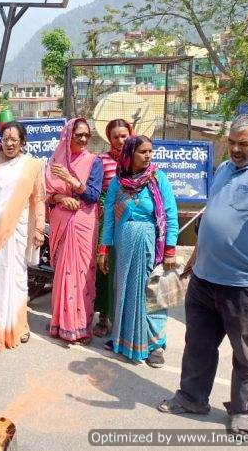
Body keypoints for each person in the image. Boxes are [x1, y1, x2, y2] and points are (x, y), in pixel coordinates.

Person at [158, 114, 248, 434]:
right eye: (232, 142)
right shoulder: (224, 169)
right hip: (206, 279)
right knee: (198, 345)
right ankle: (192, 398)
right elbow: (214, 214)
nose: (236, 149)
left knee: (246, 355)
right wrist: (197, 256)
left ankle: (242, 411)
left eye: (245, 143)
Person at [98, 135, 179, 367]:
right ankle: (123, 340)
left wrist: (171, 249)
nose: (148, 156)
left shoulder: (157, 179)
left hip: (149, 246)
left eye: (150, 151)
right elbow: (110, 220)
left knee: (150, 292)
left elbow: (171, 215)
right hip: (123, 247)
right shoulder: (117, 182)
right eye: (143, 152)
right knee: (123, 290)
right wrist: (104, 248)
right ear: (130, 154)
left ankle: (155, 345)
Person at [0, 122, 46, 350]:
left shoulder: (32, 165)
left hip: (19, 229)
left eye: (14, 139)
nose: (9, 143)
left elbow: (39, 199)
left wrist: (40, 229)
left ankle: (19, 325)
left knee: (17, 277)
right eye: (5, 138)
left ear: (23, 142)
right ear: (0, 140)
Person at [45, 118, 104, 344]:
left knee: (82, 275)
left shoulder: (93, 162)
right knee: (62, 274)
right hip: (61, 220)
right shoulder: (56, 161)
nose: (82, 139)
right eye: (78, 134)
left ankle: (80, 326)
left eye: (86, 135)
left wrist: (71, 180)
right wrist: (60, 196)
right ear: (68, 135)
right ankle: (61, 324)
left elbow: (93, 195)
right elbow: (47, 194)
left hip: (83, 223)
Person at [94, 119, 134, 338]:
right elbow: (98, 190)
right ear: (109, 138)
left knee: (125, 267)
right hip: (107, 219)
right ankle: (102, 316)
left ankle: (123, 318)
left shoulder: (137, 161)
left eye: (124, 135)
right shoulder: (102, 160)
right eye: (116, 136)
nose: (120, 140)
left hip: (132, 221)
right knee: (105, 268)